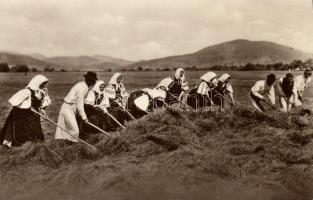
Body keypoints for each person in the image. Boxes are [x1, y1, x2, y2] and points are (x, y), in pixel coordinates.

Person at [0, 75, 51, 148]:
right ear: (37, 83)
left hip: (34, 115)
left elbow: (42, 106)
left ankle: (33, 144)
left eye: (45, 83)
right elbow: (13, 102)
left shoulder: (42, 93)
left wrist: (45, 115)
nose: (44, 85)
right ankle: (15, 144)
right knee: (20, 130)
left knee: (35, 129)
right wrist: (28, 107)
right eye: (43, 83)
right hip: (21, 115)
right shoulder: (27, 91)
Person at [55, 71, 97, 142]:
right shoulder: (82, 88)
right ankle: (73, 147)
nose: (93, 83)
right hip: (68, 108)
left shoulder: (82, 85)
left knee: (70, 129)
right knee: (75, 130)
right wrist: (85, 118)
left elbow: (79, 103)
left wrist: (80, 114)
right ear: (90, 81)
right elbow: (80, 105)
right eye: (92, 81)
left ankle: (67, 144)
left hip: (71, 108)